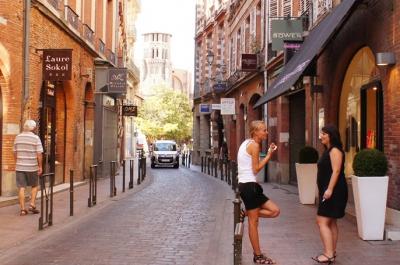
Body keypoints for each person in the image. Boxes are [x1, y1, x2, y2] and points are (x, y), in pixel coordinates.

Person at [237, 120, 280, 264]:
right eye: (263, 130)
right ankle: (258, 256)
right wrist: (268, 155)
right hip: (249, 187)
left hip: (249, 185)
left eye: (266, 130)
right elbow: (255, 169)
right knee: (254, 222)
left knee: (275, 211)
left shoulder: (246, 143)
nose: (266, 132)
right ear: (255, 132)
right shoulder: (254, 145)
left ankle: (247, 213)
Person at [312, 125, 348, 264]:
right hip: (329, 190)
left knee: (321, 221)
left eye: (323, 134)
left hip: (334, 191)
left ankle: (328, 254)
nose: (321, 136)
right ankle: (331, 252)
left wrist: (329, 189)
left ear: (331, 136)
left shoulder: (335, 151)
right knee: (331, 222)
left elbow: (336, 171)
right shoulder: (328, 150)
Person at [13, 120, 43, 216]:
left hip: (20, 166)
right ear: (33, 128)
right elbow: (39, 154)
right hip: (32, 167)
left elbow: (14, 152)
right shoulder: (36, 138)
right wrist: (40, 166)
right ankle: (32, 204)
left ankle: (22, 209)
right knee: (34, 186)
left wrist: (17, 162)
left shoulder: (18, 137)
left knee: (21, 187)